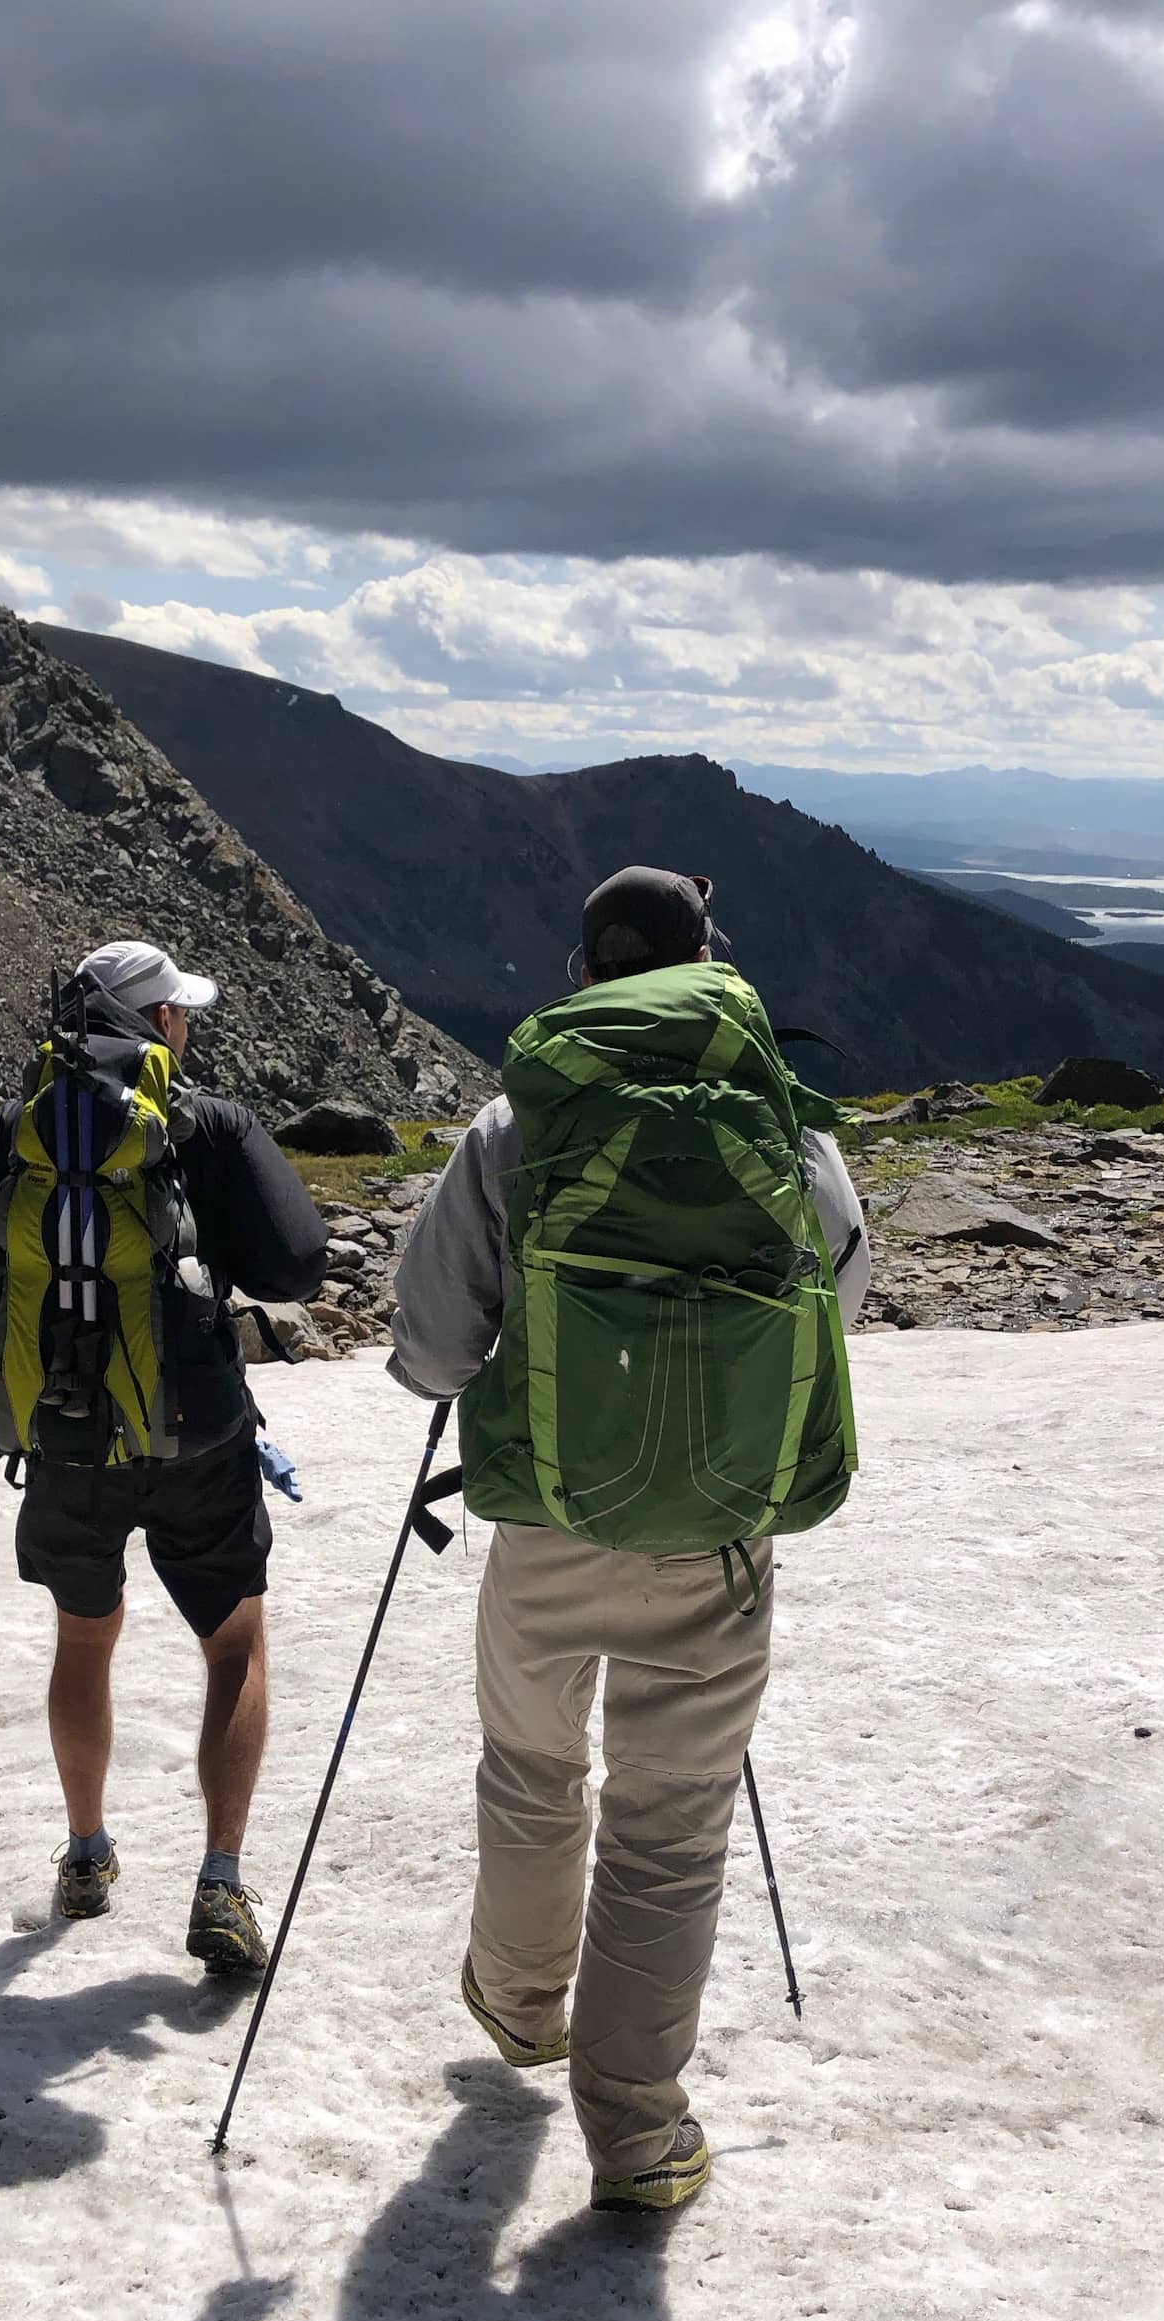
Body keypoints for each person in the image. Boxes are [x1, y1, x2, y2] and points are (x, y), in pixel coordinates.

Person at [389, 868, 871, 2212]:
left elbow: (430, 1352)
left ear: (585, 966)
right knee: (670, 1825)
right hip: (717, 1529)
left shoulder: (515, 1121)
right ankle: (639, 2132)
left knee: (534, 1763)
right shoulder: (781, 1120)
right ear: (706, 954)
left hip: (547, 1512)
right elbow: (841, 1288)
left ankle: (522, 1999)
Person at [0, 940, 328, 1973]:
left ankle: (86, 1854)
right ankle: (220, 1881)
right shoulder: (205, 1123)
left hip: (62, 1435)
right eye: (178, 1010)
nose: (188, 1024)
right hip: (198, 1435)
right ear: (153, 1022)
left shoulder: (14, 1128)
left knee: (83, 1638)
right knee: (233, 1646)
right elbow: (299, 1266)